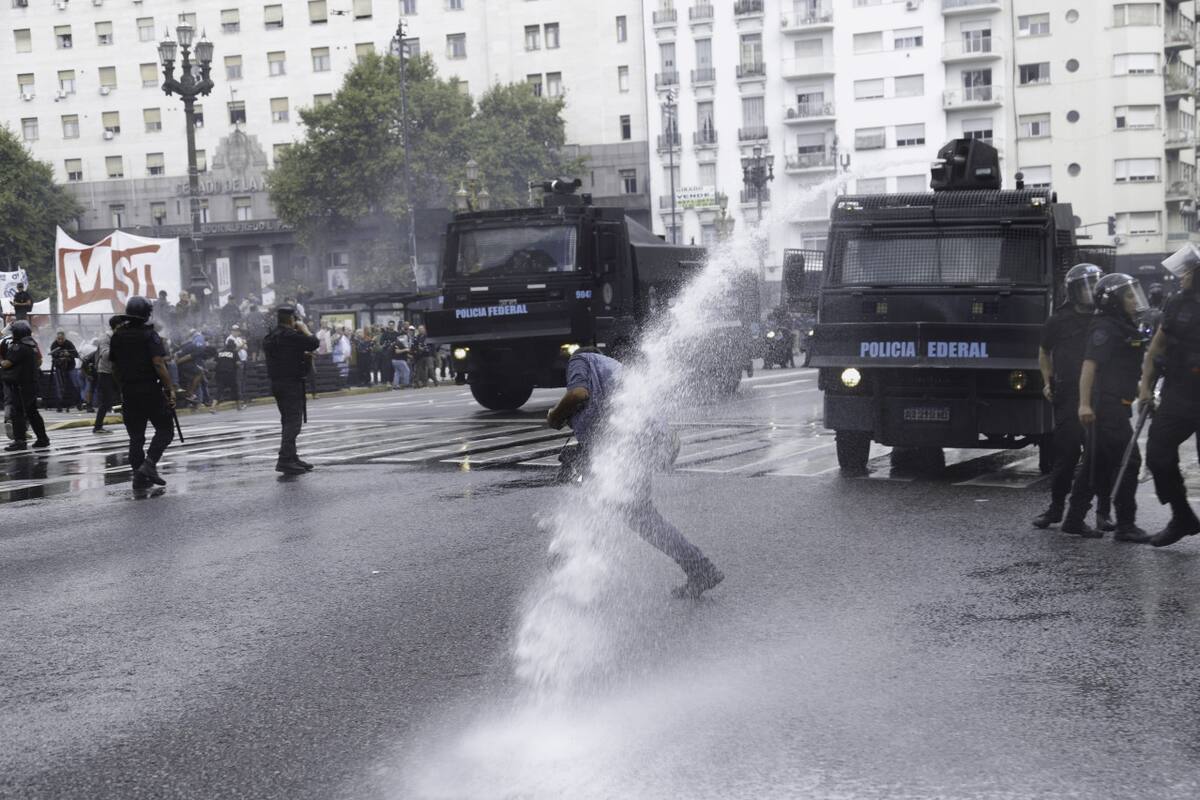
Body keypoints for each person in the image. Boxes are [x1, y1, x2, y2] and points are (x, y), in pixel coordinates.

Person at [546, 349, 724, 599]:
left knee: (605, 505)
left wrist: (555, 416)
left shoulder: (581, 359)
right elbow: (604, 419)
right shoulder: (613, 371)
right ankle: (699, 567)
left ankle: (568, 571)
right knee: (639, 516)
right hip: (650, 442)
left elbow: (578, 394)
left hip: (632, 444)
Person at [1060, 274, 1153, 543]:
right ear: (1112, 300)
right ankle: (1126, 525)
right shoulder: (1105, 328)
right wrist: (1085, 404)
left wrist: (1141, 393)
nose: (1134, 299)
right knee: (1130, 460)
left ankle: (1074, 520)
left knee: (1095, 465)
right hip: (1105, 407)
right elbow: (1089, 367)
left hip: (1116, 405)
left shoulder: (1121, 325)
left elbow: (1120, 369)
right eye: (1128, 295)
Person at [1033, 263, 1115, 531]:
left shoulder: (1105, 317)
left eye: (1094, 284)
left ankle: (1103, 512)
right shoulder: (1058, 320)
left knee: (1101, 454)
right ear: (1073, 290)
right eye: (1085, 286)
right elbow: (1044, 352)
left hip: (1101, 393)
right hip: (1067, 394)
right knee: (1066, 454)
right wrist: (1047, 381)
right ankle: (1056, 509)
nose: (1090, 290)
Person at [1139, 245, 1200, 547]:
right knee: (1158, 455)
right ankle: (1182, 517)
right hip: (1179, 393)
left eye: (1188, 271)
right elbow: (1157, 348)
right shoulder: (1177, 302)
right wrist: (1146, 388)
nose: (1182, 276)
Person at [108, 296, 177, 491]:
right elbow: (158, 363)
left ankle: (139, 477)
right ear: (147, 313)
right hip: (150, 389)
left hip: (129, 390)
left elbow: (114, 367)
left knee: (136, 437)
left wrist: (123, 385)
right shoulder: (150, 335)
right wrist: (169, 389)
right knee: (165, 430)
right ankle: (148, 465)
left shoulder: (117, 336)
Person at [262, 305, 319, 475]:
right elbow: (313, 343)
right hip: (291, 383)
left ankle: (292, 457)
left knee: (287, 421)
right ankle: (285, 459)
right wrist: (305, 329)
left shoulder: (271, 336)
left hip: (277, 383)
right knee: (293, 423)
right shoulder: (291, 336)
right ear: (292, 320)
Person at [0, 320, 50, 451]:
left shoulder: (18, 347)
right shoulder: (32, 345)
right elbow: (39, 362)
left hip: (20, 385)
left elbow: (6, 364)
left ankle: (20, 441)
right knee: (32, 412)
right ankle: (42, 438)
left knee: (18, 413)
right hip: (31, 383)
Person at [90, 320, 119, 433]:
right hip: (105, 372)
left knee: (125, 396)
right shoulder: (106, 337)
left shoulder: (119, 336)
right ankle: (97, 427)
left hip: (117, 372)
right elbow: (106, 354)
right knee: (106, 400)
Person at [49, 329, 82, 412]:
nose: (60, 341)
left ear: (64, 338)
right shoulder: (54, 345)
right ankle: (59, 405)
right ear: (56, 338)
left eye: (62, 339)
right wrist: (59, 357)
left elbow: (76, 354)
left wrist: (69, 354)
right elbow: (53, 356)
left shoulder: (69, 343)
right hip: (59, 368)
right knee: (59, 387)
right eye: (58, 339)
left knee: (75, 385)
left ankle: (79, 403)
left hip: (70, 367)